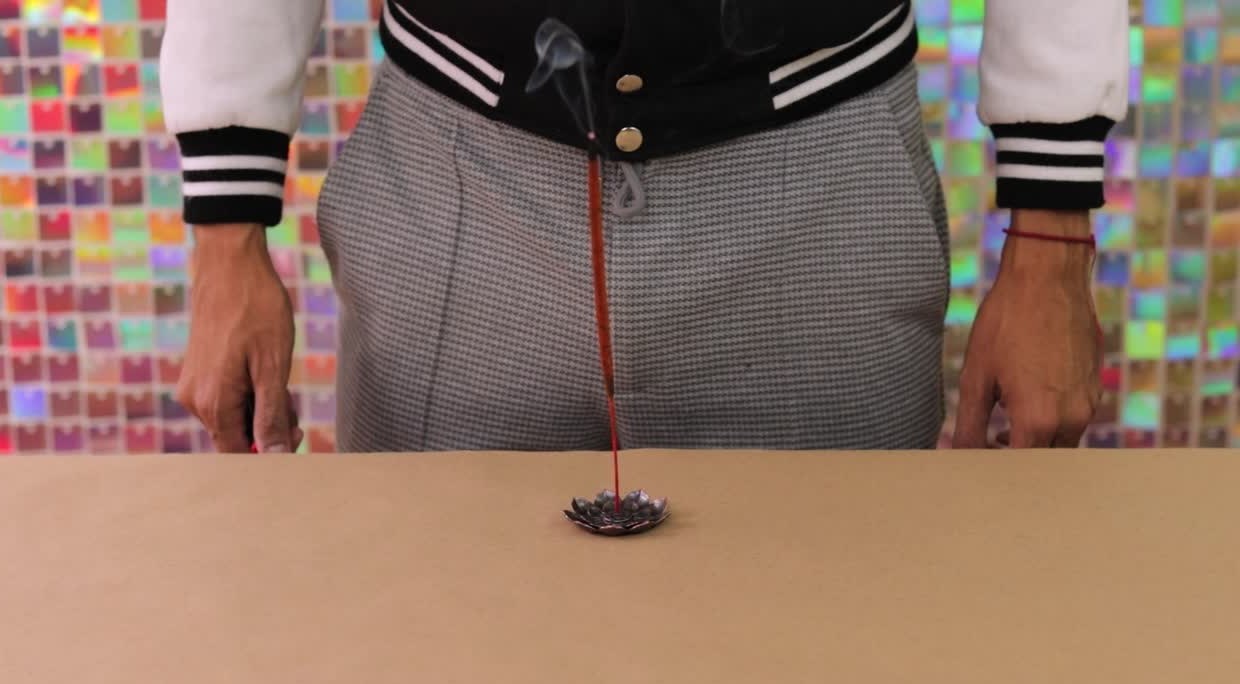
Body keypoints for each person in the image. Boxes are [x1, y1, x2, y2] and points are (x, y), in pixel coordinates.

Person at [159, 1, 1129, 453]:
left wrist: (1050, 240)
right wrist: (224, 228)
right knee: (437, 654)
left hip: (815, 187)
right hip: (462, 184)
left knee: (836, 653)